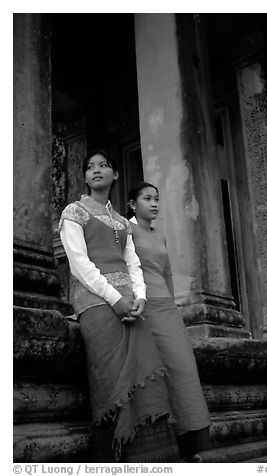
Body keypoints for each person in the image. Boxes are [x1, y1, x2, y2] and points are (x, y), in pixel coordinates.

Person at [59, 150, 177, 463]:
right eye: (90, 167)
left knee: (146, 371)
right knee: (111, 377)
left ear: (115, 174)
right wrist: (116, 299)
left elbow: (132, 262)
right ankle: (115, 458)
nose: (96, 170)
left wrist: (140, 298)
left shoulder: (122, 221)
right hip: (95, 301)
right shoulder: (74, 212)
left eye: (104, 165)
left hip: (132, 304)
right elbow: (79, 263)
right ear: (85, 176)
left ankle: (151, 459)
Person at [127, 181, 212, 462]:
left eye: (157, 199)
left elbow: (166, 274)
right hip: (144, 307)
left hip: (167, 309)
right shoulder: (125, 230)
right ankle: (165, 448)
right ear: (132, 204)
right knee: (158, 374)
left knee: (185, 369)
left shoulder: (160, 235)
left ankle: (197, 445)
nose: (154, 204)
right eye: (147, 199)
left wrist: (172, 304)